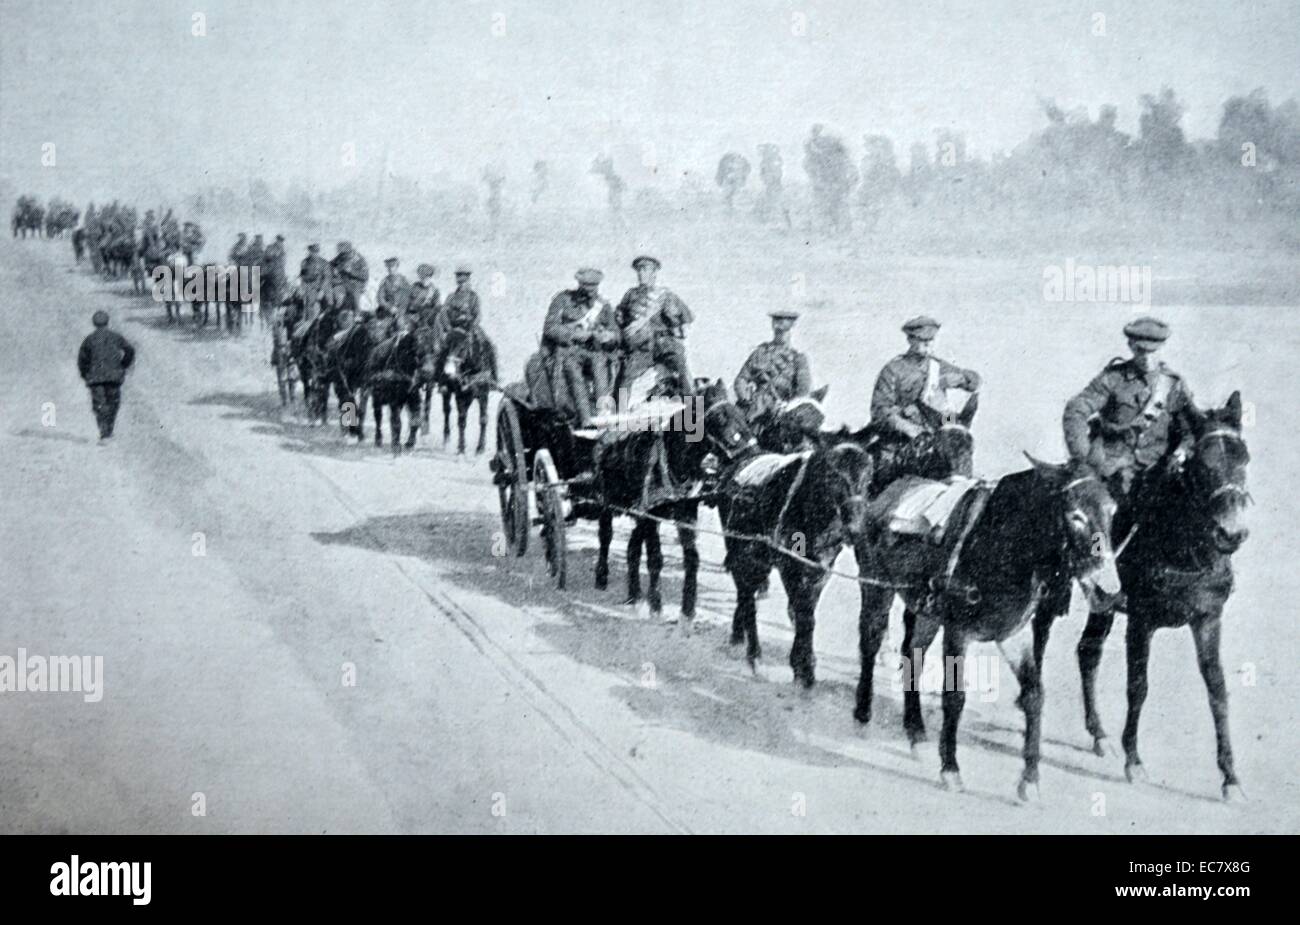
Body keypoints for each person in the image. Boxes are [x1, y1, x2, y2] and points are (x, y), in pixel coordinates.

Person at [1063, 316, 1197, 518]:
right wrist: (1083, 458)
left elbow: (1190, 430)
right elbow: (1076, 409)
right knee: (1096, 521)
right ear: (1131, 346)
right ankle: (1098, 550)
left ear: (1162, 348)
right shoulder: (1112, 379)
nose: (1145, 357)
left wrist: (1182, 451)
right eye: (1139, 350)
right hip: (1111, 470)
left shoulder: (1174, 386)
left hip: (1157, 473)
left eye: (1152, 351)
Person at [870, 316, 980, 440]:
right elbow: (880, 410)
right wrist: (908, 427)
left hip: (938, 427)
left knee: (958, 439)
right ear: (910, 340)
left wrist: (962, 379)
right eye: (922, 339)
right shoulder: (892, 369)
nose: (927, 343)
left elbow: (974, 381)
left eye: (931, 339)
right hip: (903, 435)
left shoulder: (938, 366)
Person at [541, 268, 619, 425]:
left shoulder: (603, 306)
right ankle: (586, 420)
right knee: (573, 372)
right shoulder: (563, 300)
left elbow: (616, 332)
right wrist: (578, 335)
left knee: (600, 365)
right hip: (568, 351)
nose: (590, 292)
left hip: (593, 351)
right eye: (587, 287)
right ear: (579, 285)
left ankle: (603, 414)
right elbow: (550, 328)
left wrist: (608, 336)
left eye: (594, 287)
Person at [614, 255, 694, 401]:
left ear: (654, 273)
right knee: (626, 377)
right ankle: (620, 414)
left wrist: (677, 329)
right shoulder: (630, 295)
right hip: (642, 348)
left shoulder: (667, 295)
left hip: (665, 344)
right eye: (639, 270)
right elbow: (619, 318)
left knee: (682, 368)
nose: (640, 273)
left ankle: (693, 409)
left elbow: (687, 318)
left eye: (645, 269)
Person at [733, 307, 812, 425]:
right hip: (756, 408)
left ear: (791, 330)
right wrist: (745, 399)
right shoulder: (759, 353)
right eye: (778, 332)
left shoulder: (798, 359)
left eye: (784, 332)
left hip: (784, 411)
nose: (781, 335)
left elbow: (803, 391)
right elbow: (741, 379)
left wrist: (788, 406)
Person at [77, 310, 135, 442]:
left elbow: (82, 359)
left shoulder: (89, 339)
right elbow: (130, 350)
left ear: (94, 323)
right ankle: (109, 429)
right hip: (114, 376)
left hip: (95, 378)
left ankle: (104, 432)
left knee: (99, 404)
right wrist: (123, 365)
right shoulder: (116, 337)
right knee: (113, 402)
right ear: (108, 322)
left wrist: (85, 374)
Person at [405, 263, 441, 329]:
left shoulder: (434, 291)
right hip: (412, 317)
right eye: (422, 277)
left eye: (426, 277)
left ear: (430, 277)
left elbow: (437, 306)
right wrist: (411, 315)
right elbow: (406, 303)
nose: (424, 279)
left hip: (426, 318)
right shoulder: (414, 287)